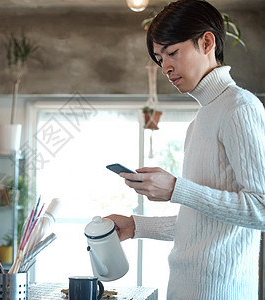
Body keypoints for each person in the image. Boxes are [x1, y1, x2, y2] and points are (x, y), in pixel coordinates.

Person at [105, 0, 265, 299]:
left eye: (172, 52)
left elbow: (262, 208)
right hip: (185, 287)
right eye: (158, 57)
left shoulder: (240, 108)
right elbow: (202, 225)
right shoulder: (202, 119)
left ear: (207, 42)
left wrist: (177, 189)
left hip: (220, 291)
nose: (165, 66)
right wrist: (134, 226)